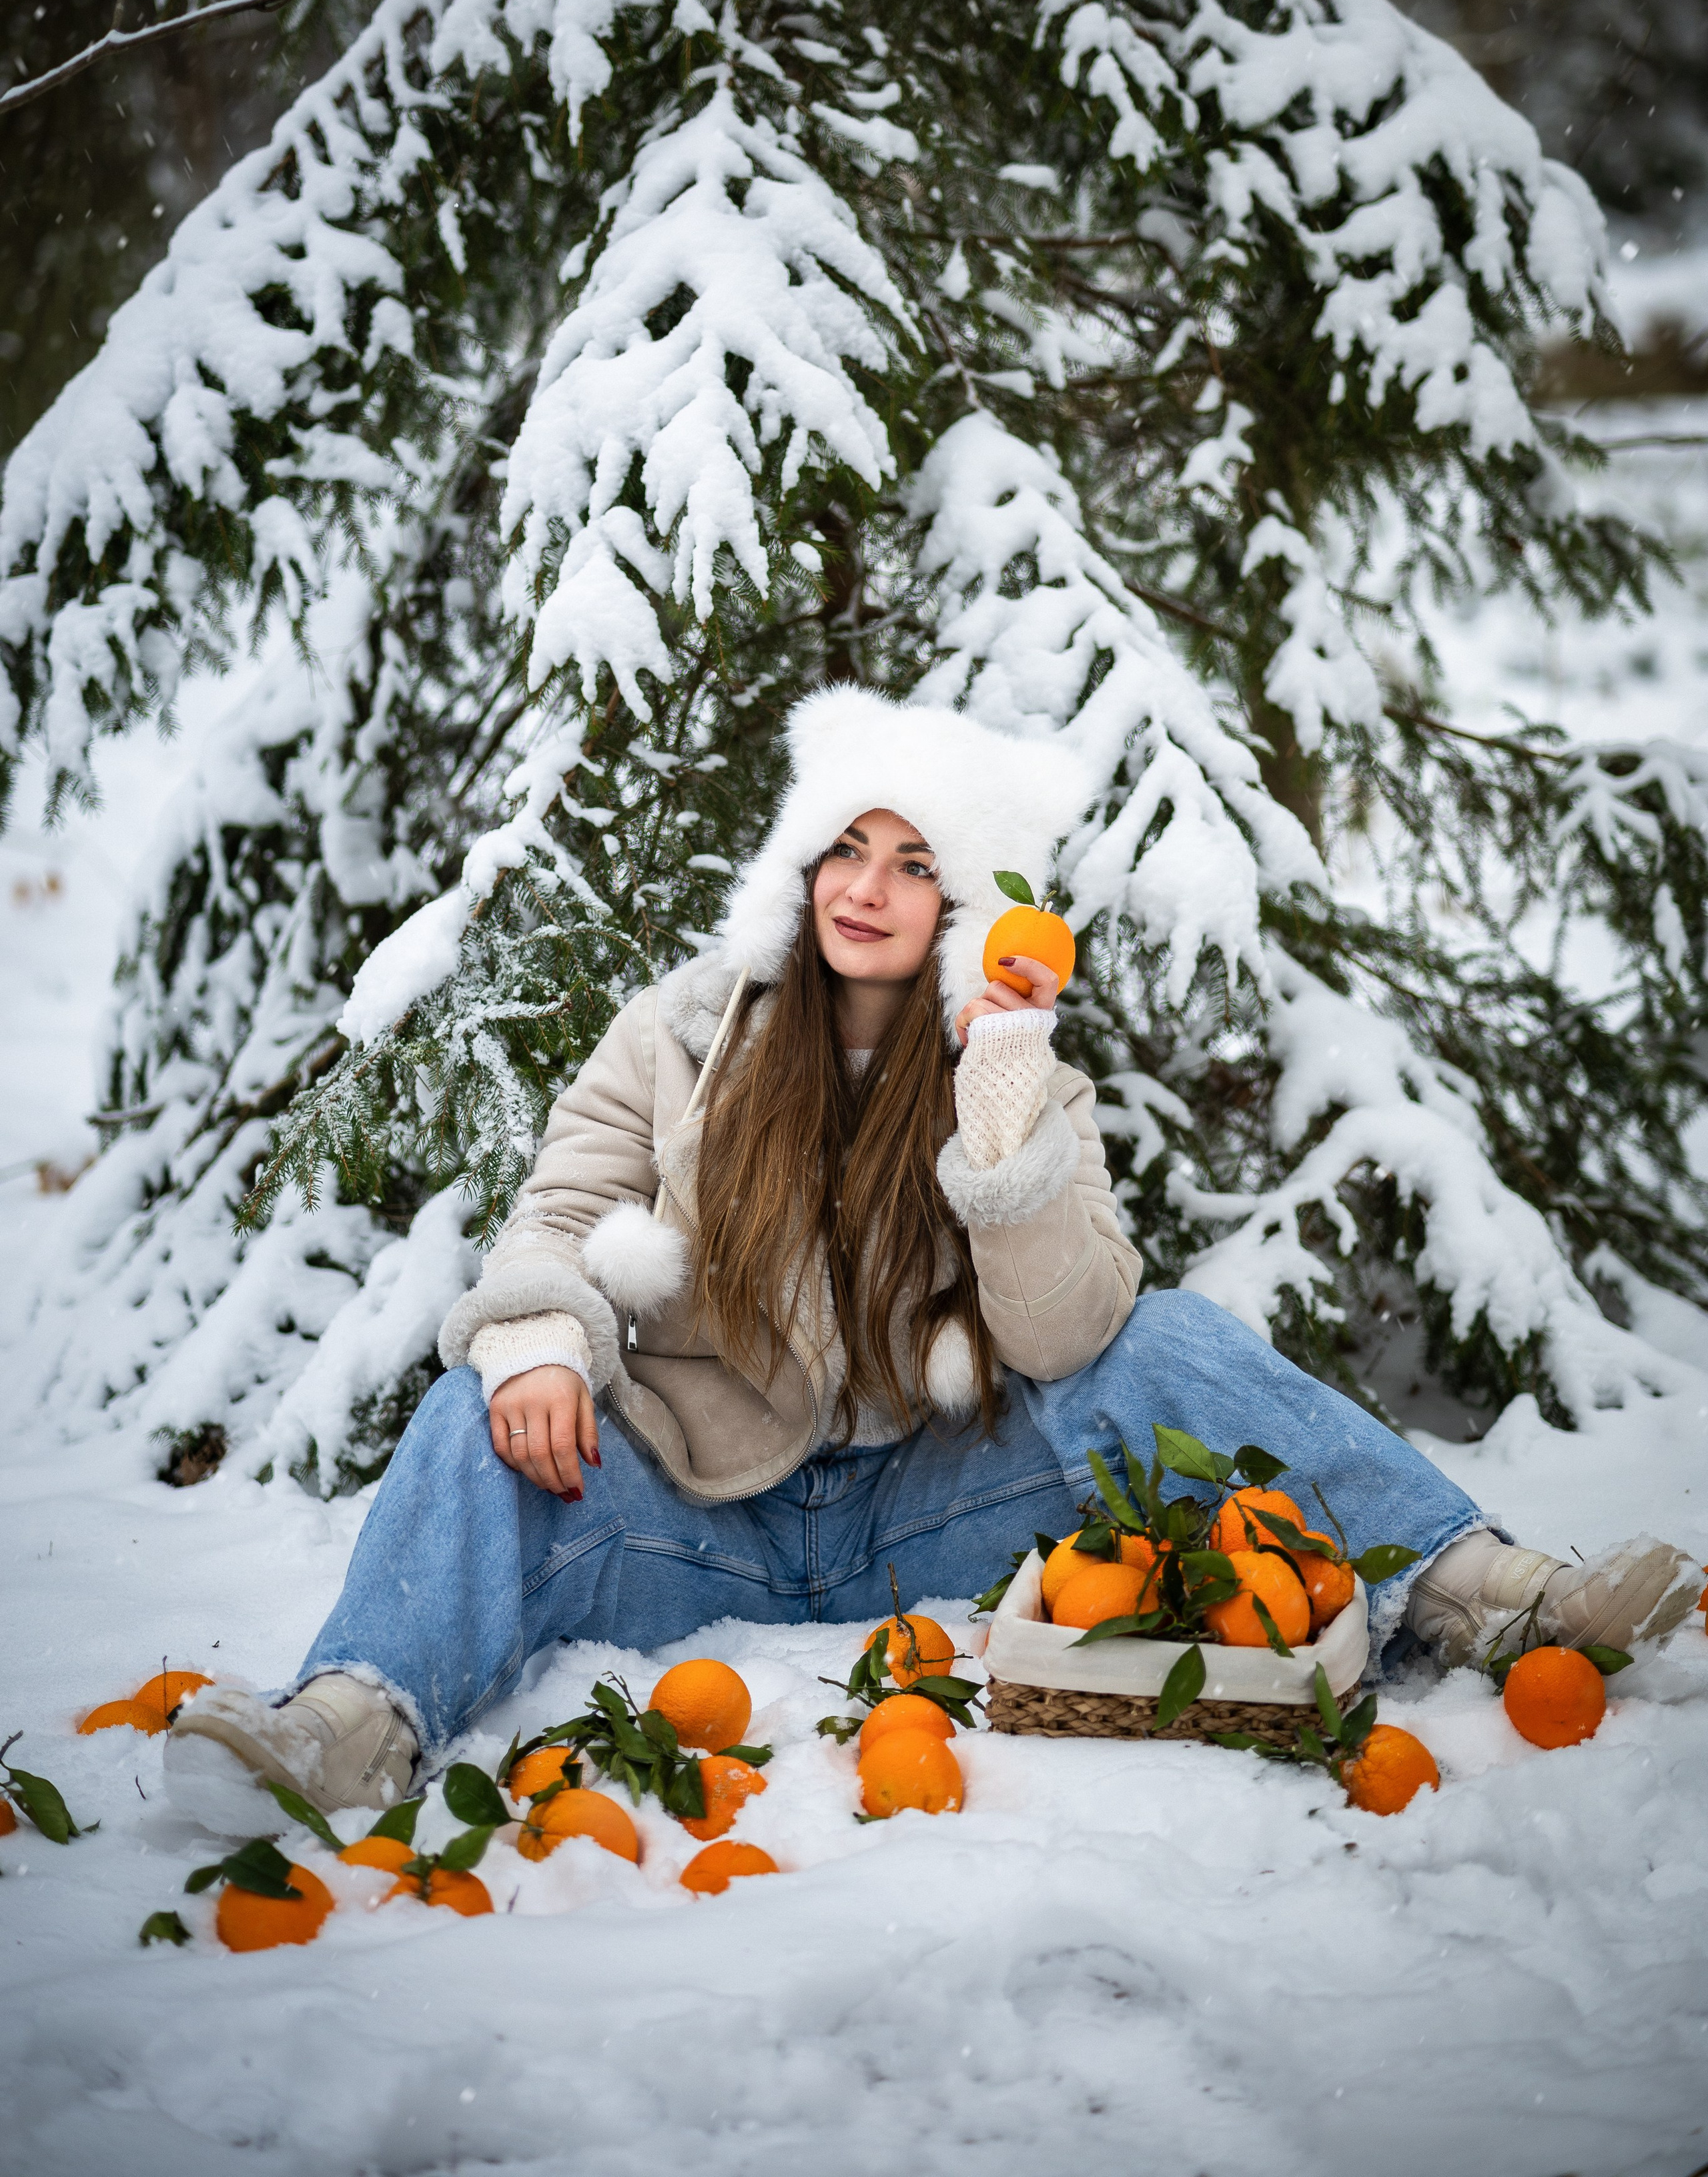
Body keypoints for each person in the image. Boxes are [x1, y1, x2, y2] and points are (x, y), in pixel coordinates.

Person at [166, 689, 1697, 1825]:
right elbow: (555, 1223)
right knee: (474, 1409)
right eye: (845, 848)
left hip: (936, 1512)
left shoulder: (1020, 1073)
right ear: (796, 867)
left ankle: (1483, 1587)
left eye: (911, 862)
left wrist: (1004, 1127)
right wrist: (542, 1348)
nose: (866, 886)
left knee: (1163, 1341)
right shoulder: (680, 1033)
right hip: (699, 1516)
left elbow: (1066, 1341)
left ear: (962, 901)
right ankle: (350, 1723)